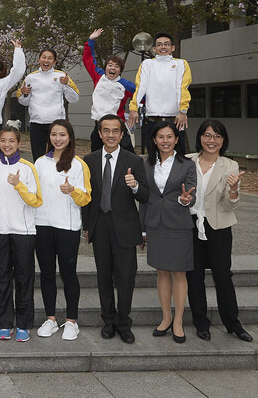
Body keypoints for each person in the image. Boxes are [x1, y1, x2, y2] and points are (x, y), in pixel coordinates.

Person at [81, 114, 149, 344]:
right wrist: (87, 225)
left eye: (115, 131)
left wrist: (136, 186)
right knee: (103, 277)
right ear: (99, 134)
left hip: (126, 227)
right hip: (100, 226)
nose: (110, 135)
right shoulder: (89, 160)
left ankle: (123, 322)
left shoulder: (134, 161)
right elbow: (87, 197)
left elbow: (146, 195)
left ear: (122, 134)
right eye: (106, 130)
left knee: (126, 278)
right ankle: (108, 321)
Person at [186, 120, 253, 342]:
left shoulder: (230, 166)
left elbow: (228, 205)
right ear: (200, 138)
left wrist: (233, 190)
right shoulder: (187, 161)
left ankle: (233, 323)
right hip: (191, 225)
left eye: (216, 136)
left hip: (219, 227)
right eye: (207, 135)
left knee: (223, 276)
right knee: (194, 277)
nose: (211, 140)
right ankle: (201, 323)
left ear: (223, 140)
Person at [0, 126, 42, 342]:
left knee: (24, 279)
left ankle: (24, 324)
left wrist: (19, 186)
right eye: (3, 141)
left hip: (23, 232)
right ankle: (5, 323)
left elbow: (36, 201)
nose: (7, 145)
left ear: (19, 143)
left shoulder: (28, 168)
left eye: (11, 141)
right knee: (1, 278)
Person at [33, 119, 90, 341]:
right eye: (54, 135)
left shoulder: (78, 164)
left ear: (70, 137)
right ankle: (50, 319)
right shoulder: (39, 163)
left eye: (62, 135)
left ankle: (71, 321)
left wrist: (73, 190)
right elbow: (33, 194)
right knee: (46, 274)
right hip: (43, 225)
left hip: (67, 226)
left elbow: (85, 198)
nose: (58, 139)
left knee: (68, 274)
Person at [140, 120, 196, 344]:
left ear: (176, 139)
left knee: (179, 273)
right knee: (162, 272)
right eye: (160, 137)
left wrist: (186, 200)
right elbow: (144, 198)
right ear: (154, 140)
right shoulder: (146, 164)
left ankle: (179, 321)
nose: (165, 141)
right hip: (155, 224)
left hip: (179, 224)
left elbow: (193, 193)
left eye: (169, 136)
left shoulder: (187, 164)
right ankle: (166, 318)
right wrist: (142, 229)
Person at [127, 32, 192, 154]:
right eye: (160, 44)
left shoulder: (181, 64)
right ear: (154, 48)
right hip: (152, 120)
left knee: (179, 157)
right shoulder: (147, 64)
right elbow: (141, 87)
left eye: (166, 44)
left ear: (172, 47)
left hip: (175, 120)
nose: (163, 47)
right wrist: (133, 108)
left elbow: (182, 87)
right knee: (153, 157)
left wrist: (183, 111)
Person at [18, 48, 80, 161]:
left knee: (59, 156)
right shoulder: (31, 77)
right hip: (36, 123)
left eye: (50, 58)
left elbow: (74, 98)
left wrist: (66, 85)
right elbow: (23, 101)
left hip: (56, 123)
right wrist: (24, 93)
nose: (46, 60)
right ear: (39, 59)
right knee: (38, 157)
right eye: (44, 57)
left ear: (54, 62)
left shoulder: (62, 76)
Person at [82, 29, 136, 153]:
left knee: (128, 155)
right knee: (95, 157)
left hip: (117, 126)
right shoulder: (98, 76)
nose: (113, 68)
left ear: (120, 70)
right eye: (110, 65)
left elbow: (141, 96)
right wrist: (91, 40)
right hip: (99, 125)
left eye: (116, 66)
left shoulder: (126, 85)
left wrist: (134, 109)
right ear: (105, 67)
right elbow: (87, 59)